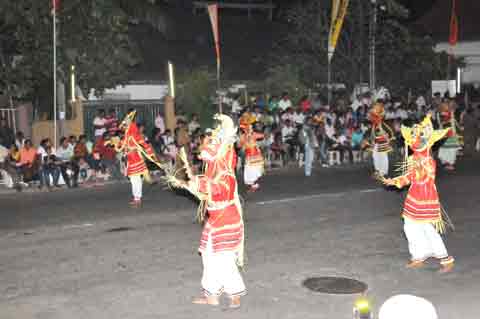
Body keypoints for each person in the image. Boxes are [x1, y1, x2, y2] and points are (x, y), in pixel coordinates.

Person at [167, 114, 246, 308]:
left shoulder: (226, 173)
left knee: (225, 259)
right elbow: (205, 191)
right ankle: (211, 295)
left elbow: (217, 191)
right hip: (214, 220)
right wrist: (188, 184)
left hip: (226, 220)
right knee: (208, 256)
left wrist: (197, 183)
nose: (203, 151)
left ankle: (234, 293)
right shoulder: (212, 168)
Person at [381, 115, 454, 273]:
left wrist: (397, 181)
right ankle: (418, 255)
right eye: (413, 137)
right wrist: (395, 181)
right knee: (410, 226)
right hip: (414, 195)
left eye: (417, 137)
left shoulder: (427, 159)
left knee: (428, 228)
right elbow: (409, 176)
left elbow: (418, 176)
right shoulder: (415, 157)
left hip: (425, 196)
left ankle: (445, 259)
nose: (414, 140)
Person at [113, 110, 158, 207]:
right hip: (130, 159)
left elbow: (145, 144)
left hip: (136, 159)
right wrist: (115, 142)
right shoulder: (126, 136)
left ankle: (137, 198)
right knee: (134, 180)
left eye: (126, 125)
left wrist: (151, 154)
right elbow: (121, 145)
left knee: (136, 180)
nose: (124, 126)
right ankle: (137, 198)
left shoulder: (135, 135)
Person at [368, 102, 394, 177]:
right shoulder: (374, 125)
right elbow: (373, 134)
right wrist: (372, 141)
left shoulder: (383, 124)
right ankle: (378, 170)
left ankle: (383, 172)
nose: (372, 118)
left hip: (383, 142)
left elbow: (390, 133)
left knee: (383, 156)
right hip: (376, 142)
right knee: (375, 156)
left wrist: (387, 139)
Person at [239, 122, 264, 192]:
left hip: (256, 156)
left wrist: (257, 131)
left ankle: (254, 185)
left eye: (250, 128)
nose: (248, 129)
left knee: (255, 172)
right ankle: (254, 185)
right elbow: (239, 146)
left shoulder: (253, 135)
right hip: (249, 157)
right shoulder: (243, 136)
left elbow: (262, 136)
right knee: (249, 172)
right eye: (245, 129)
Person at [436, 102, 461, 170]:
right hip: (447, 133)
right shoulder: (443, 113)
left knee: (449, 150)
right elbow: (444, 122)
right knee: (448, 150)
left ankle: (448, 164)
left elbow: (452, 122)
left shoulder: (447, 113)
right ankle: (448, 164)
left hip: (448, 133)